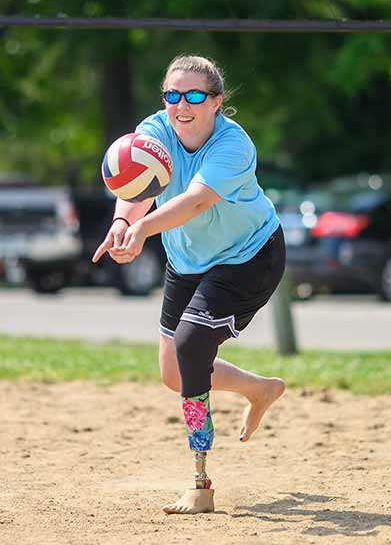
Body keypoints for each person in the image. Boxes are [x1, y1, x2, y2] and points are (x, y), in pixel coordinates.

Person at [93, 54, 287, 515]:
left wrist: (141, 231)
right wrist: (123, 222)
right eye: (172, 95)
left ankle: (201, 482)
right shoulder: (155, 130)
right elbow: (133, 185)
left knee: (192, 344)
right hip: (188, 259)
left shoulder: (232, 145)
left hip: (248, 257)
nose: (182, 105)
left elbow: (196, 201)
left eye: (195, 95)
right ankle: (260, 389)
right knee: (174, 372)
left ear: (216, 102)